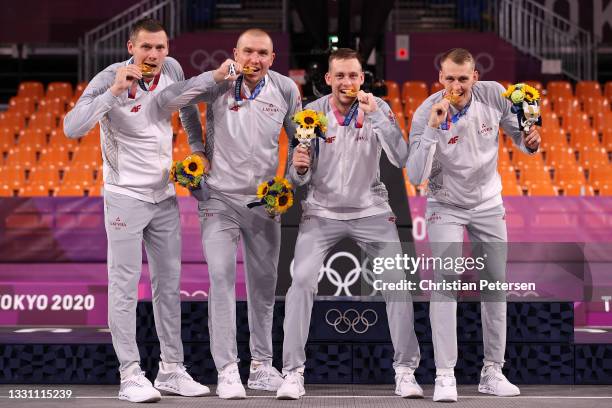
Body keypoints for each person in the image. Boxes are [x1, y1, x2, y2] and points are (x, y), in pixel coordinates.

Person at [63, 18, 210, 403]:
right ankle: (130, 374)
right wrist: (113, 92)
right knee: (124, 287)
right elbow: (71, 127)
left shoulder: (172, 68)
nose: (154, 55)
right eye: (146, 48)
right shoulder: (108, 77)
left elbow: (188, 109)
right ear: (131, 46)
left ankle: (172, 370)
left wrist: (197, 149)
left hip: (164, 196)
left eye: (160, 48)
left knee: (168, 287)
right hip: (124, 196)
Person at [156, 28, 302, 399]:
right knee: (220, 279)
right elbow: (174, 100)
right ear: (235, 53)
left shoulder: (285, 89)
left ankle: (261, 367)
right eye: (248, 52)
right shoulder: (220, 83)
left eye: (263, 53)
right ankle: (227, 371)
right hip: (218, 200)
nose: (255, 60)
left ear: (273, 57)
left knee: (264, 288)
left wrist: (289, 181)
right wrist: (196, 145)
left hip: (264, 205)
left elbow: (301, 141)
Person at [276, 48, 422, 400]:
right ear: (328, 79)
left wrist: (379, 119)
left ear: (362, 78)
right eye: (339, 75)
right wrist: (298, 168)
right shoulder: (310, 114)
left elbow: (401, 158)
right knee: (301, 282)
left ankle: (405, 371)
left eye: (353, 75)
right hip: (321, 214)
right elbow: (296, 179)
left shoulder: (379, 109)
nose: (347, 82)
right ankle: (292, 373)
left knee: (397, 284)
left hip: (371, 212)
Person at [407, 48, 541, 402]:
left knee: (495, 285)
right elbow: (416, 174)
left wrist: (530, 143)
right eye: (449, 78)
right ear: (440, 78)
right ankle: (445, 375)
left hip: (487, 204)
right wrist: (435, 128)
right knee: (446, 283)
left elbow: (518, 135)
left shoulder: (494, 95)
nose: (456, 85)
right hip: (445, 205)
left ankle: (493, 371)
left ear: (475, 77)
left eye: (463, 78)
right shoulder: (426, 112)